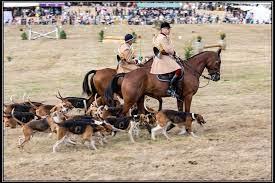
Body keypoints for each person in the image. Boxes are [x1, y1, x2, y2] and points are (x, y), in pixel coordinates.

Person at [150, 22, 182, 98]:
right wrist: (174, 53)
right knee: (178, 69)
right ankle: (171, 88)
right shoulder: (163, 38)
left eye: (169, 29)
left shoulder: (158, 36)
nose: (169, 31)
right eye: (168, 29)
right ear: (163, 29)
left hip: (160, 57)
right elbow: (168, 49)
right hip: (164, 57)